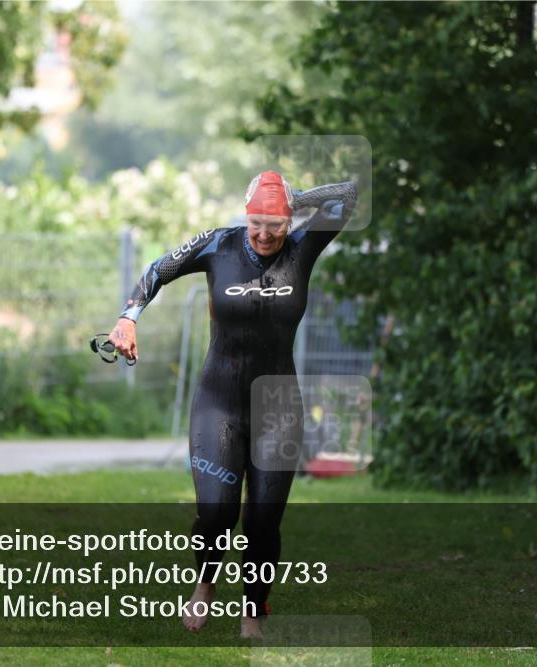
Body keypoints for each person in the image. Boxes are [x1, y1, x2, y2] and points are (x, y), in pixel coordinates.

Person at [107, 170, 358, 638]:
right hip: (218, 402)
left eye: (276, 224)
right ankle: (205, 582)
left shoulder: (304, 248)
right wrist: (128, 319)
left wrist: (296, 197)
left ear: (289, 222)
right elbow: (158, 269)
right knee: (218, 512)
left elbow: (348, 193)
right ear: (246, 217)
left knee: (263, 520)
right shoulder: (219, 246)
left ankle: (253, 613)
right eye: (257, 222)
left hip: (278, 406)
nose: (265, 234)